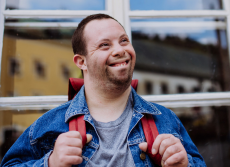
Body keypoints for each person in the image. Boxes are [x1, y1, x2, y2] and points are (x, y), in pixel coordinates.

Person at [1, 14, 206, 167]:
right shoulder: (49, 125)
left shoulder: (166, 121)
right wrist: (50, 163)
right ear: (81, 62)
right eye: (104, 45)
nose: (120, 50)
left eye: (124, 40)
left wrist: (186, 164)